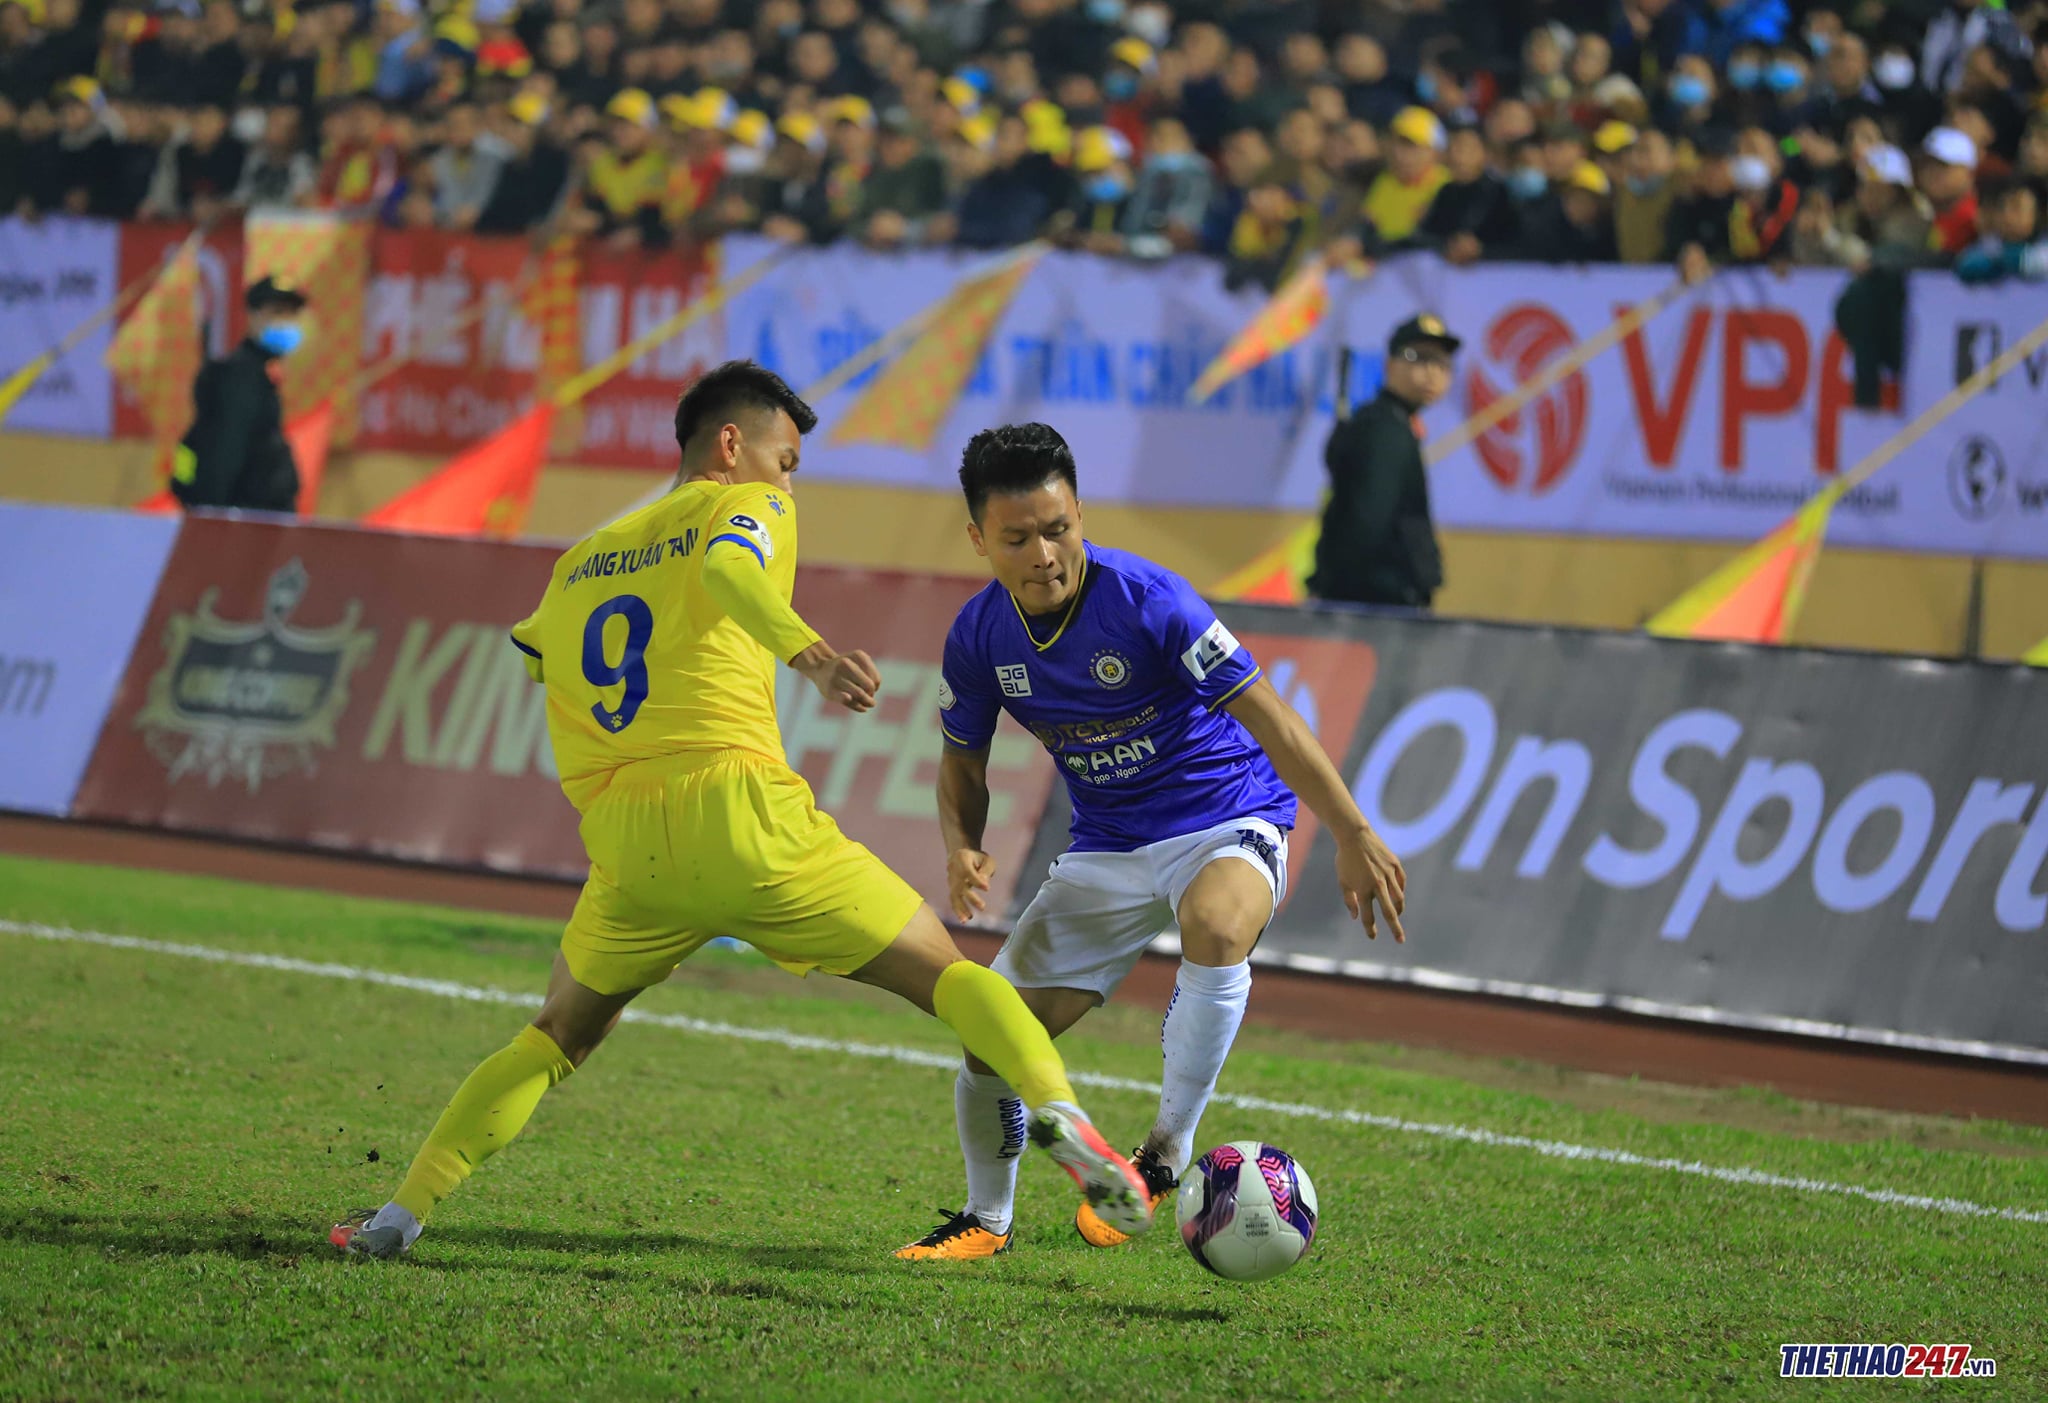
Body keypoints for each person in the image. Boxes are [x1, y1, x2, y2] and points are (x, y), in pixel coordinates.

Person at [330, 363, 1152, 1261]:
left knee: (557, 1032)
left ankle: (399, 1215)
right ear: (732, 445)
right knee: (949, 974)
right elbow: (729, 567)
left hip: (626, 839)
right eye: (785, 458)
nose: (788, 481)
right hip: (737, 809)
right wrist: (811, 655)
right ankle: (1061, 1111)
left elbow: (534, 654)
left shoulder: (580, 561)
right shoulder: (742, 506)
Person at [896, 422, 1407, 1261]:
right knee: (991, 1033)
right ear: (979, 538)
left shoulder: (1151, 599)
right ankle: (986, 1220)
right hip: (1106, 843)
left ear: (1080, 516)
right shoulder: (979, 636)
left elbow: (1272, 716)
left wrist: (1351, 829)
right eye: (1018, 538)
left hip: (1227, 813)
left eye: (1059, 529)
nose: (1045, 554)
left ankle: (1167, 1152)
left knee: (1214, 924)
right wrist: (962, 844)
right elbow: (961, 762)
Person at [1310, 314, 1456, 610]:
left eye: (1442, 363)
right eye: (1418, 357)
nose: (1431, 371)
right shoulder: (1384, 430)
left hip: (1377, 604)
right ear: (1390, 365)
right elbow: (1367, 524)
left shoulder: (1395, 425)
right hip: (1375, 607)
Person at [170, 277, 307, 514]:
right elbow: (225, 453)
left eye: (291, 314)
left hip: (251, 521)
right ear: (252, 315)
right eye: (277, 312)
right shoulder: (240, 377)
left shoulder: (261, 374)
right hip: (244, 524)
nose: (286, 322)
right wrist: (214, 518)